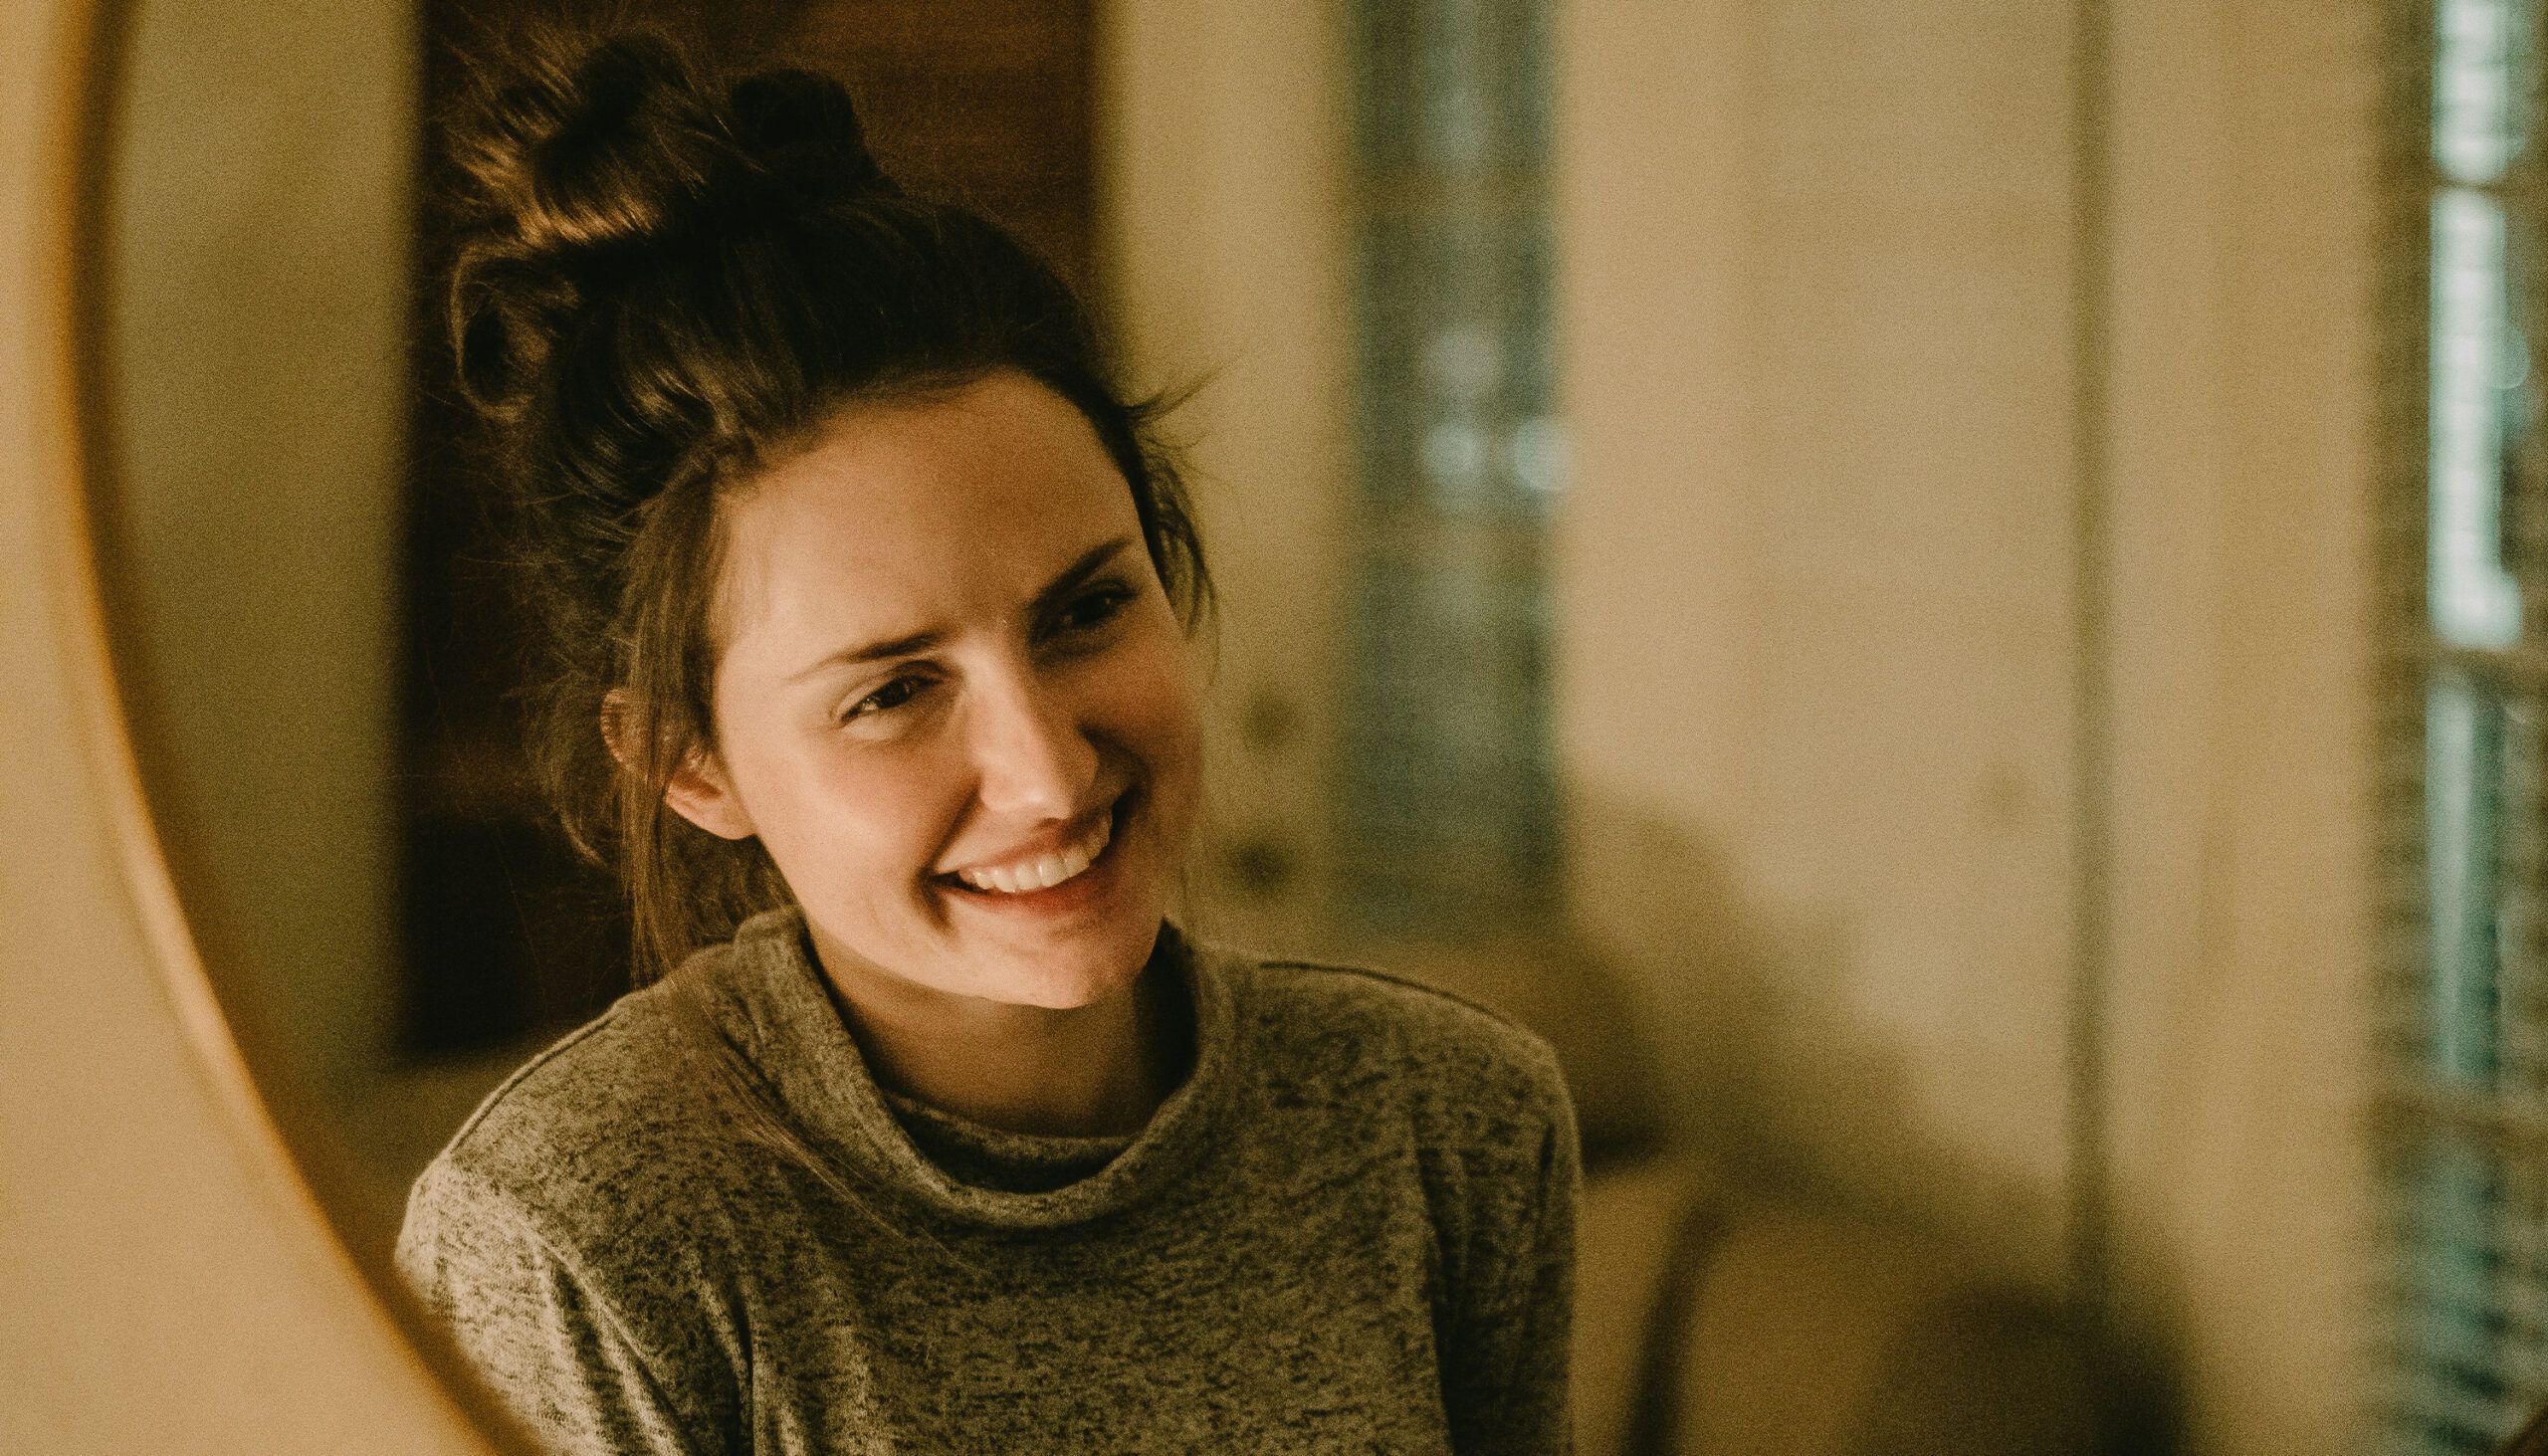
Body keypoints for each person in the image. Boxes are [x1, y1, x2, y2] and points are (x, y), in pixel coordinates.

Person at [392, 26, 1581, 1456]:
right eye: (892, 691)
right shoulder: (577, 1241)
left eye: (1084, 611)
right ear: (686, 763)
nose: (1049, 770)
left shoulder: (1451, 1127)